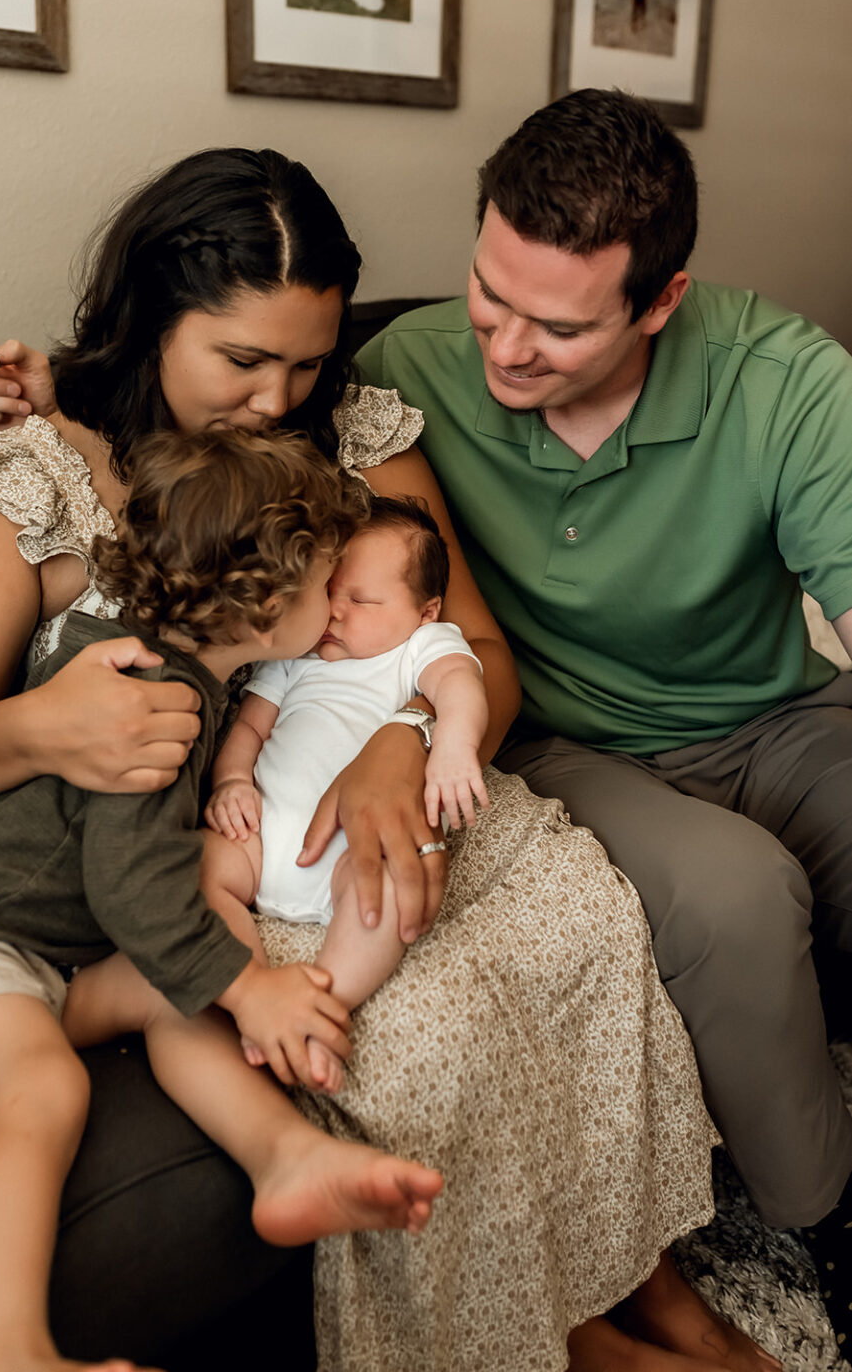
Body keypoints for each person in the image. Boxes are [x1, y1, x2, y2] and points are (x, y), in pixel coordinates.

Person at [0, 146, 772, 1371]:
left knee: (580, 931)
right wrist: (39, 725)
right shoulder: (34, 473)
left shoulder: (355, 439)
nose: (278, 400)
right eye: (241, 360)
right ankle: (559, 1337)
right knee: (422, 1033)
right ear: (154, 320)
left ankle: (644, 1278)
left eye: (308, 362)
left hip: (387, 798)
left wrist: (399, 735)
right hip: (229, 860)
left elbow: (474, 647)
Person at [350, 86, 852, 1362]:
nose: (507, 347)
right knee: (735, 900)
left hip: (777, 712)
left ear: (660, 300)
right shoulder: (402, 373)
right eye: (488, 294)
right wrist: (45, 398)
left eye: (561, 327)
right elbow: (213, 408)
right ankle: (819, 1221)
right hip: (568, 741)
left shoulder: (786, 379)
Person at [0, 425, 444, 1372]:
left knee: (186, 988)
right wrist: (252, 990)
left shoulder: (167, 660)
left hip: (49, 961)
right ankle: (6, 1351)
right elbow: (131, 882)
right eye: (328, 582)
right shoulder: (150, 702)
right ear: (266, 608)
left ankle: (284, 1158)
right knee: (44, 1090)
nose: (339, 599)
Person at [202, 494, 490, 1093]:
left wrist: (454, 746)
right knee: (199, 867)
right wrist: (231, 781)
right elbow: (249, 729)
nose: (335, 611)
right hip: (260, 837)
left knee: (388, 892)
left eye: (360, 600)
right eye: (330, 591)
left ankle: (326, 1003)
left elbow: (461, 682)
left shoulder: (418, 648)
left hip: (359, 847)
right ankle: (255, 987)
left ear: (425, 611)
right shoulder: (297, 655)